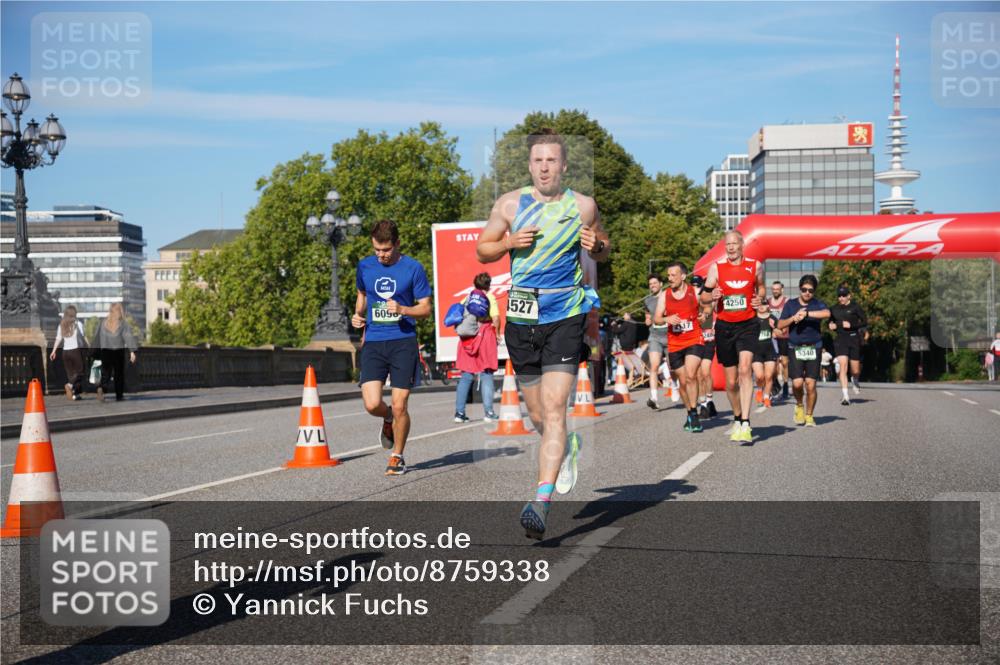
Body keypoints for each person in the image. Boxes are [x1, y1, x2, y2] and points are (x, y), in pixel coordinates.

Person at [476, 127, 609, 539]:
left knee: (555, 409)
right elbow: (483, 248)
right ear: (530, 164)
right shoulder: (511, 204)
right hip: (521, 316)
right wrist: (508, 242)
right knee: (537, 415)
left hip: (565, 313)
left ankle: (541, 500)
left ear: (564, 165)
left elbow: (603, 244)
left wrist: (598, 245)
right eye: (538, 160)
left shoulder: (583, 205)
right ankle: (565, 447)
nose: (545, 167)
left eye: (552, 160)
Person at [352, 219, 433, 477]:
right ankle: (388, 419)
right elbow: (362, 295)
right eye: (377, 250)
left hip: (403, 341)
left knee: (401, 405)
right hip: (374, 340)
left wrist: (403, 309)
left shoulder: (413, 268)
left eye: (385, 250)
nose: (381, 255)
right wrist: (357, 315)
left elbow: (426, 308)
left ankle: (397, 455)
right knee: (372, 404)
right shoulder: (365, 266)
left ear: (397, 244)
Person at [699, 230, 764, 443]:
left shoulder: (755, 266)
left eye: (734, 244)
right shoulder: (716, 268)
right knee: (730, 382)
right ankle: (737, 416)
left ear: (742, 245)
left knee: (745, 370)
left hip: (748, 324)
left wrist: (759, 299)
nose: (731, 247)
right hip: (725, 326)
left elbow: (761, 289)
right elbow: (703, 297)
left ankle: (745, 422)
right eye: (728, 244)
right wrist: (712, 296)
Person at [654, 261, 704, 432]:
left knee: (691, 375)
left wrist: (705, 314)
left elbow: (708, 306)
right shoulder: (664, 295)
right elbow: (657, 318)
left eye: (674, 275)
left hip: (694, 339)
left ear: (683, 276)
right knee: (682, 382)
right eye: (668, 275)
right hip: (675, 343)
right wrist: (667, 319)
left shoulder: (695, 292)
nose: (670, 278)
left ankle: (695, 414)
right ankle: (690, 412)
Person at [777, 274, 831, 427]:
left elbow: (827, 313)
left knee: (811, 384)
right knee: (798, 384)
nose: (807, 293)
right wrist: (793, 318)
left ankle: (809, 415)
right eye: (804, 289)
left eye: (810, 290)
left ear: (814, 292)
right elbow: (780, 324)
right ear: (799, 289)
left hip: (814, 347)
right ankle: (799, 405)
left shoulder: (817, 304)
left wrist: (807, 314)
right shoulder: (791, 305)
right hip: (795, 348)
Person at [453, 273, 499, 423]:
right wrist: (497, 333)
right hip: (485, 336)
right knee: (486, 374)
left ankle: (459, 413)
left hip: (467, 339)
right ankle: (489, 412)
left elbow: (458, 315)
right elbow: (496, 318)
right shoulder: (490, 298)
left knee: (466, 376)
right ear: (489, 285)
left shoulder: (467, 298)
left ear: (475, 284)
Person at [828, 284, 868, 405]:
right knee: (843, 367)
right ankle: (846, 396)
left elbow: (865, 321)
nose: (841, 298)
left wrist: (852, 326)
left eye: (844, 295)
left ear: (849, 296)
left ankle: (855, 379)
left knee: (855, 370)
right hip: (840, 340)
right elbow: (829, 323)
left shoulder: (855, 307)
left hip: (853, 338)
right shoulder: (833, 309)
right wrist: (831, 326)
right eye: (839, 296)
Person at [92, 302, 138, 402]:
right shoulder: (122, 324)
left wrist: (93, 350)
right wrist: (132, 351)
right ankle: (119, 396)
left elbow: (96, 338)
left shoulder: (103, 323)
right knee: (119, 375)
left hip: (105, 351)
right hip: (118, 351)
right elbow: (128, 337)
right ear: (120, 311)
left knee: (106, 373)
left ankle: (102, 388)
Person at [49, 305, 88, 400]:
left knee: (71, 374)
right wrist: (89, 346)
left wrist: (53, 351)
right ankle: (70, 385)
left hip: (65, 352)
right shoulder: (78, 324)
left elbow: (58, 339)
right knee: (80, 372)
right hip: (76, 351)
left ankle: (75, 394)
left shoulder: (61, 325)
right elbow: (84, 337)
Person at [751, 286, 778, 414]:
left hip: (769, 350)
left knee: (768, 376)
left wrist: (775, 329)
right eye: (759, 304)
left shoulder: (772, 318)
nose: (761, 306)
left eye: (764, 304)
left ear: (768, 306)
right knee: (760, 376)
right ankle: (760, 390)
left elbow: (781, 330)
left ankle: (766, 397)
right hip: (756, 350)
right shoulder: (752, 317)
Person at [644, 274, 668, 409]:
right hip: (655, 336)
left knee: (673, 368)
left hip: (670, 335)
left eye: (654, 283)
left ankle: (675, 386)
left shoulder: (668, 296)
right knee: (654, 366)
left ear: (661, 284)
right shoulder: (647, 300)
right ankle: (653, 398)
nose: (652, 285)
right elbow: (647, 317)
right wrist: (647, 320)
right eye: (650, 284)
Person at [768, 281, 790, 400]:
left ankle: (786, 385)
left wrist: (782, 329)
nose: (775, 291)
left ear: (782, 290)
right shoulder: (768, 302)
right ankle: (775, 384)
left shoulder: (786, 301)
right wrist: (772, 330)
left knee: (785, 363)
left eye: (777, 289)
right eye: (773, 289)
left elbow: (789, 317)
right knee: (773, 363)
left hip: (784, 335)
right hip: (772, 335)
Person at [696, 302, 718, 418]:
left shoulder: (712, 306)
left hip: (709, 343)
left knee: (705, 372)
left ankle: (709, 400)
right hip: (697, 343)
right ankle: (703, 405)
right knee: (699, 376)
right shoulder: (693, 307)